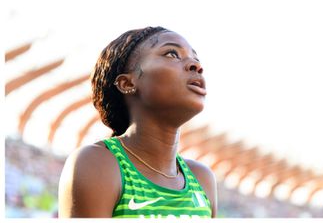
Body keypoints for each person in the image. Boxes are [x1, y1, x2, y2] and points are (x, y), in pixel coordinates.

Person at [58, 26, 217, 218]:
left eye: (196, 59)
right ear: (128, 83)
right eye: (172, 54)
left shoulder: (202, 178)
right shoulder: (99, 164)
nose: (196, 65)